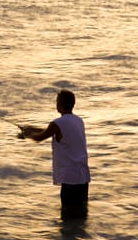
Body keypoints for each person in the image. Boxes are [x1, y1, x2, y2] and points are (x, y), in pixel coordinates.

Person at [18, 89, 90, 218]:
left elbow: (40, 137)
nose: (56, 104)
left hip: (70, 178)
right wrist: (30, 128)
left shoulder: (57, 123)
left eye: (57, 101)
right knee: (81, 215)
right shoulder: (78, 121)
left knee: (67, 217)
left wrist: (27, 134)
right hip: (83, 176)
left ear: (60, 104)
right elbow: (50, 131)